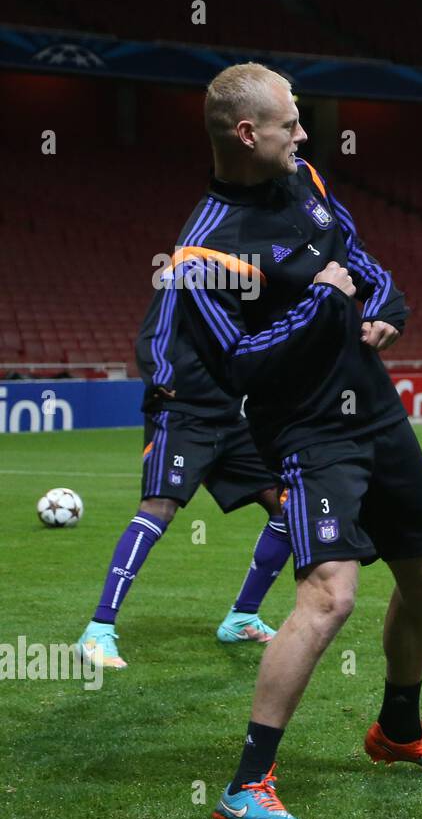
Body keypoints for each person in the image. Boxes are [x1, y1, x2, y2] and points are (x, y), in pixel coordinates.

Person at [174, 62, 422, 819]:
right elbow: (239, 362)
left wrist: (385, 306)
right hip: (306, 430)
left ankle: (398, 732)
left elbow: (361, 263)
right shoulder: (204, 255)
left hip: (375, 409)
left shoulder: (307, 180)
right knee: (330, 595)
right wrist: (320, 300)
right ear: (248, 134)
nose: (304, 134)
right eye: (290, 123)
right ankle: (247, 783)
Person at [74, 288, 288, 671]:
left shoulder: (254, 281)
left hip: (231, 415)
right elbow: (154, 332)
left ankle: (241, 618)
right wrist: (159, 376)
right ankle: (98, 628)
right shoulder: (186, 271)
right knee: (159, 507)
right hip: (182, 412)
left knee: (286, 505)